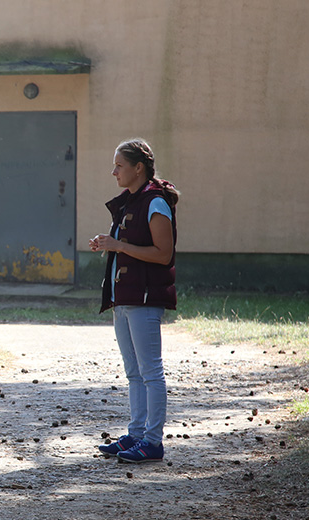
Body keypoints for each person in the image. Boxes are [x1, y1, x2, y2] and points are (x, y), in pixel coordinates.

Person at [88, 138, 179, 464]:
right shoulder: (131, 201)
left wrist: (119, 246)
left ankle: (152, 442)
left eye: (119, 165)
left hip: (144, 299)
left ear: (138, 168)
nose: (114, 172)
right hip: (124, 299)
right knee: (134, 373)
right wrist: (108, 243)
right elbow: (127, 244)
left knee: (151, 372)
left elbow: (163, 254)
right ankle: (136, 434)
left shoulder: (155, 202)